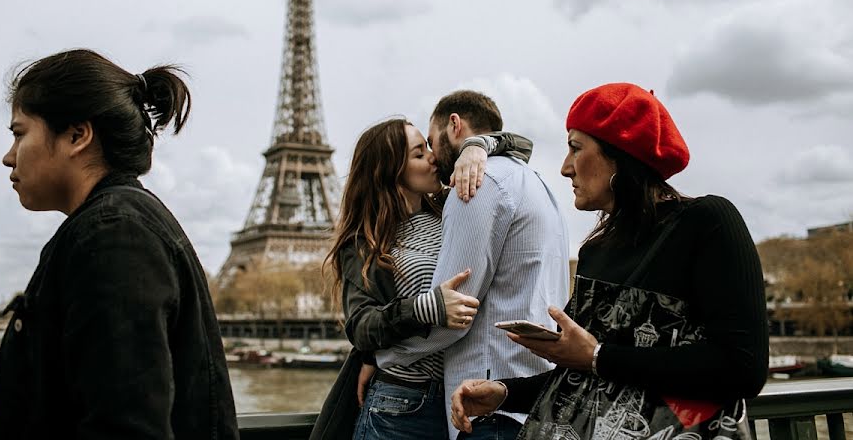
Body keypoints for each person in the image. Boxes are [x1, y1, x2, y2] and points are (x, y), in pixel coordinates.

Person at [450, 83, 769, 440]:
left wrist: (598, 355)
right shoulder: (596, 250)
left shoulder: (707, 221)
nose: (565, 168)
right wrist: (505, 393)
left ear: (620, 153)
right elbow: (583, 373)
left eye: (575, 148)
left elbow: (744, 368)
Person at [0, 49, 238, 439]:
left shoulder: (113, 236)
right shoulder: (119, 223)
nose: (8, 157)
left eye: (19, 134)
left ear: (76, 135)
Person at [310, 118, 532, 440]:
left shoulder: (451, 208)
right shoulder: (365, 242)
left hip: (458, 398)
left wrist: (475, 146)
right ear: (390, 171)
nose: (432, 156)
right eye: (418, 153)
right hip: (399, 405)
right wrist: (426, 308)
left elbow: (522, 145)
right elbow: (360, 325)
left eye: (428, 147)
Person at [378, 90, 570, 440]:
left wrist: (386, 358)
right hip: (534, 399)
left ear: (454, 125)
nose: (434, 157)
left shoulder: (475, 185)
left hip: (488, 402)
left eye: (432, 143)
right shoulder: (538, 184)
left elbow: (454, 314)